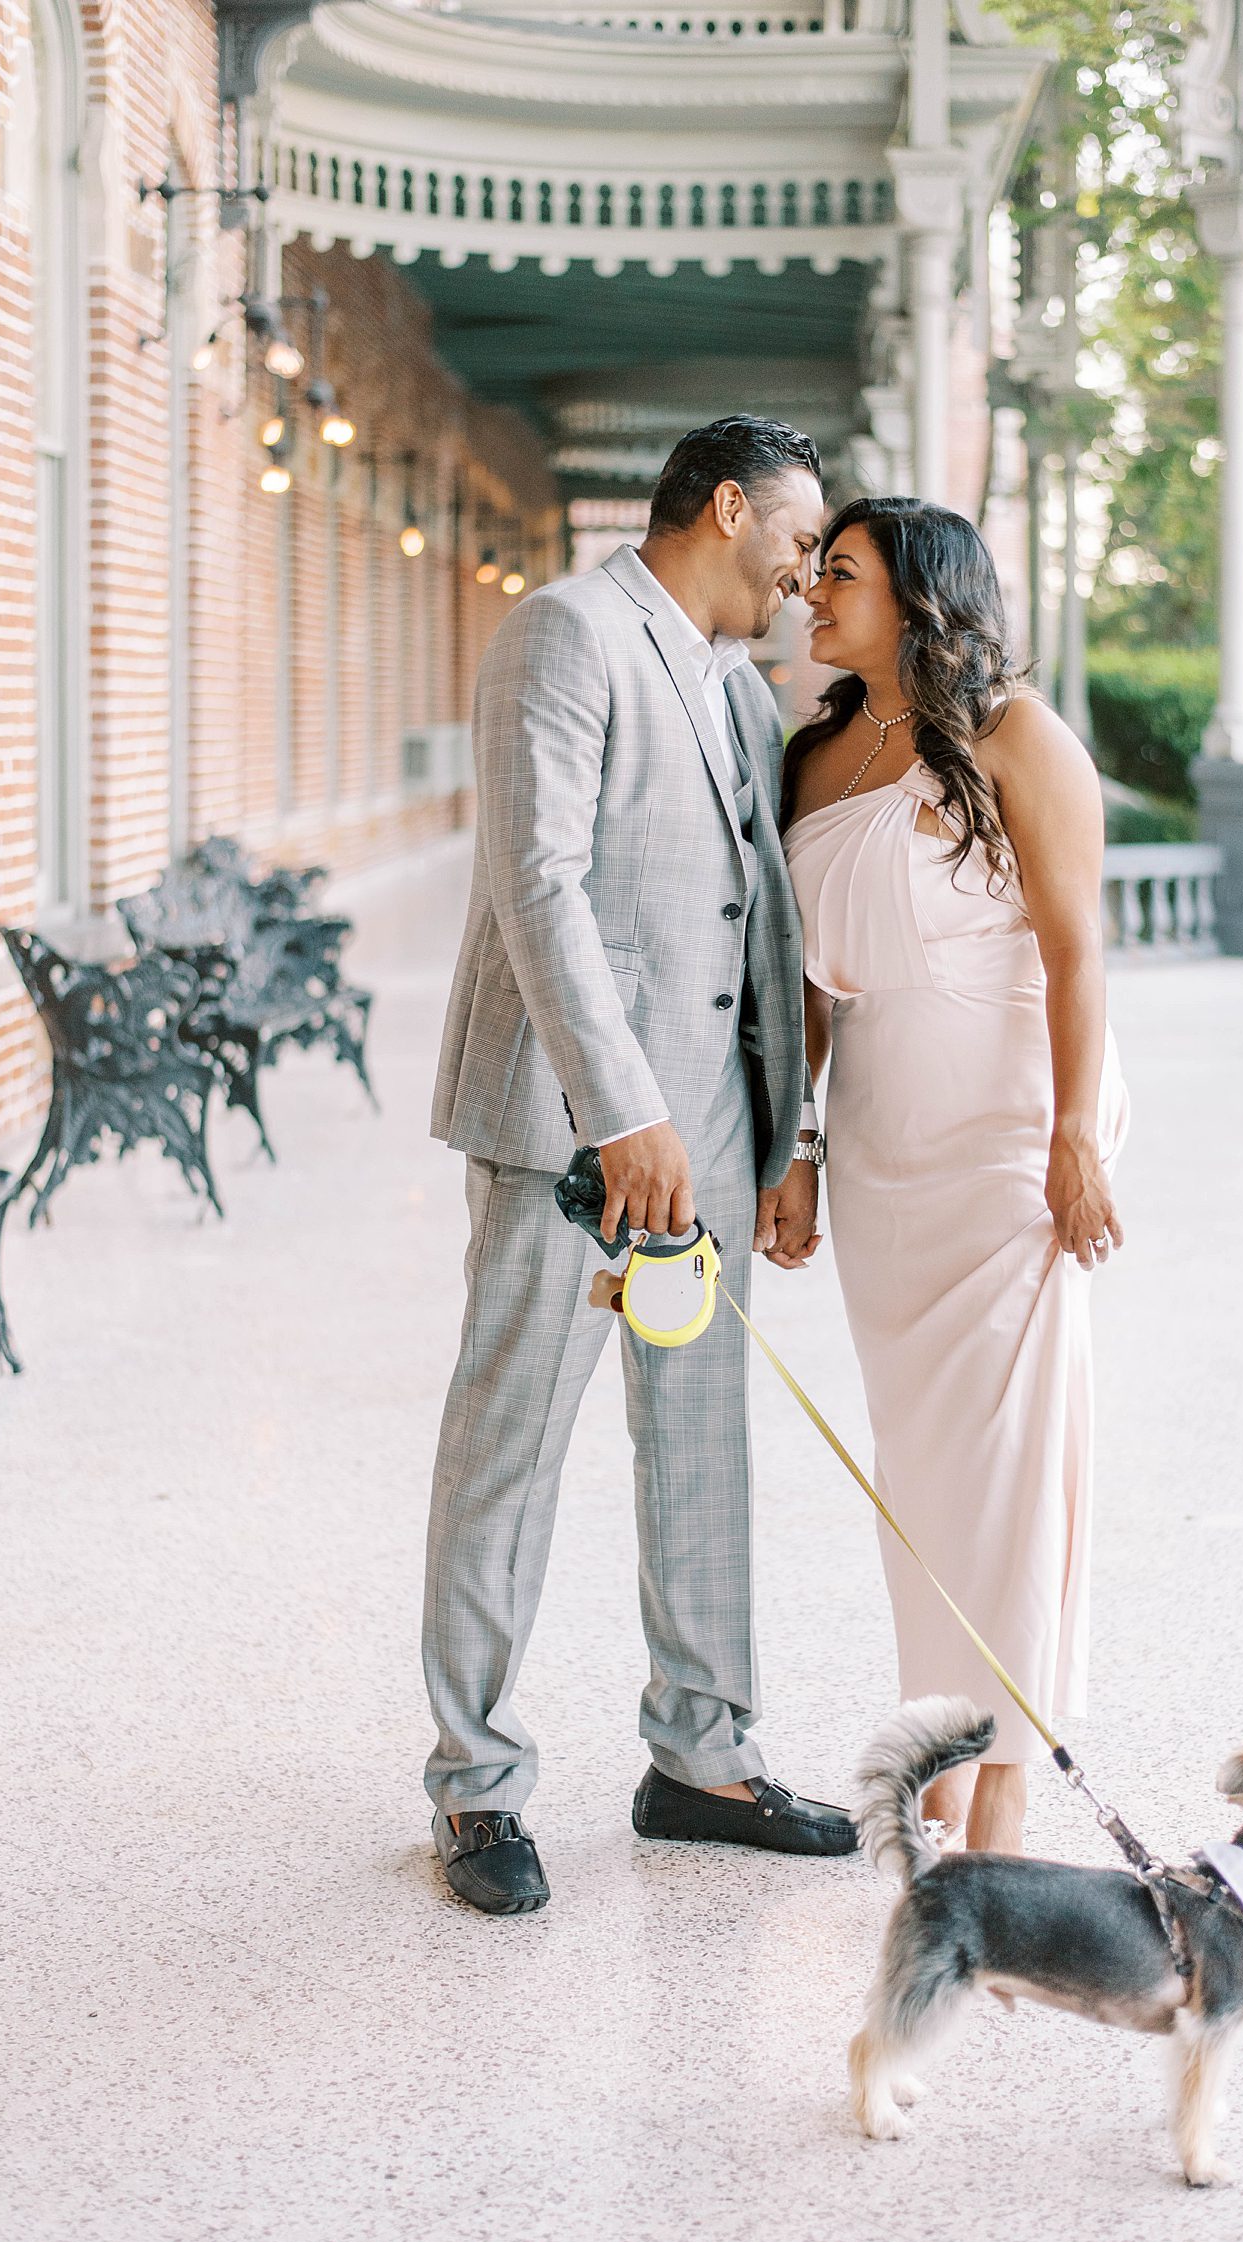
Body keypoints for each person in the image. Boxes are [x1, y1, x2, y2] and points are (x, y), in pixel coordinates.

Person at [424, 416, 857, 1916]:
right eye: (798, 538)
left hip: (718, 1140)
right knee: (511, 1449)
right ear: (725, 506)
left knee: (701, 1448)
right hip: (569, 1125)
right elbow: (536, 883)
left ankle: (702, 1759)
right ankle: (477, 1787)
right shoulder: (564, 632)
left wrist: (785, 1135)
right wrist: (625, 1112)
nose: (806, 576)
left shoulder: (740, 691)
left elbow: (764, 929)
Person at [784, 496, 1129, 1857]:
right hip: (880, 1152)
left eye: (843, 576)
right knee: (922, 1469)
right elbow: (808, 988)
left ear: (920, 597)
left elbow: (1079, 948)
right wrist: (798, 1152)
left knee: (1012, 1465)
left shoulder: (1018, 739)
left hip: (1006, 1141)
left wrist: (1075, 1134)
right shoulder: (814, 756)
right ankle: (937, 1735)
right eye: (815, 574)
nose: (813, 594)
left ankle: (1007, 1784)